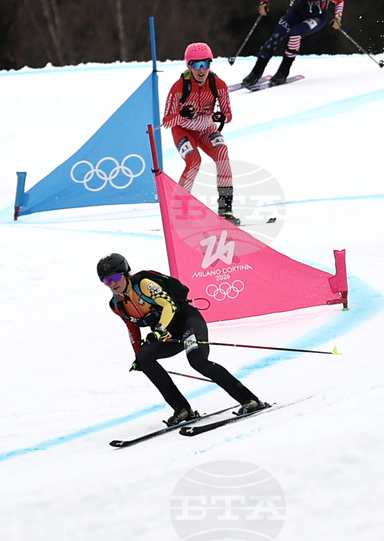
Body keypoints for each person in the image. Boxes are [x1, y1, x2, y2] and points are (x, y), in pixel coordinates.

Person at [98, 253, 267, 426]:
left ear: (126, 274)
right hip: (167, 334)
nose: (113, 284)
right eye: (107, 281)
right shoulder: (117, 304)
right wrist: (137, 356)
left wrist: (161, 328)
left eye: (116, 277)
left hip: (187, 323)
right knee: (145, 357)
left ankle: (249, 399)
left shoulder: (143, 284)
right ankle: (182, 409)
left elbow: (168, 305)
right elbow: (132, 328)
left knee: (197, 361)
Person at [163, 42, 239, 225]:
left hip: (206, 128)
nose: (201, 69)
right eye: (196, 65)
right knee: (194, 161)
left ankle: (225, 209)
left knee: (222, 153)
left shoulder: (217, 84)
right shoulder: (179, 87)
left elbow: (228, 115)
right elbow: (166, 122)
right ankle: (179, 211)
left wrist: (221, 116)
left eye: (206, 64)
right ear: (189, 66)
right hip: (183, 129)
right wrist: (181, 114)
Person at [240, 0, 344, 88]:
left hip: (317, 17)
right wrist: (264, 3)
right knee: (277, 35)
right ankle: (255, 73)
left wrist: (337, 18)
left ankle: (283, 72)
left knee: (295, 33)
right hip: (296, 13)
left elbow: (339, 0)